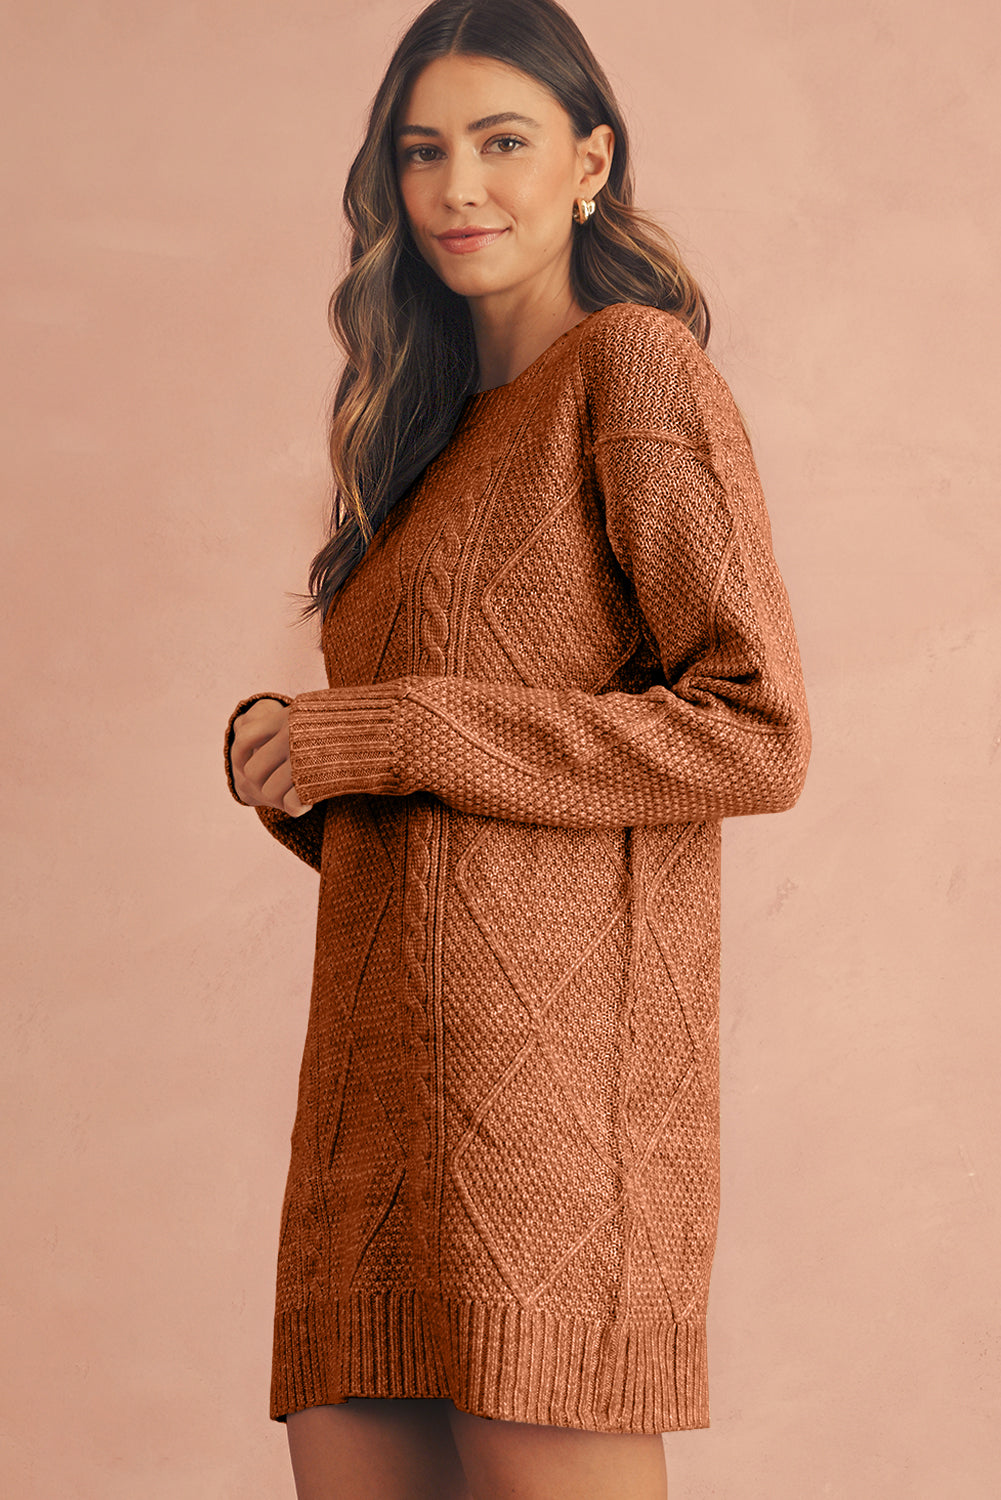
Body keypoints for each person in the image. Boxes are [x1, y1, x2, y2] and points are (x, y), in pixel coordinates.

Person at [223, 1, 811, 1495]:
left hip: (554, 1124)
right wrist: (297, 762)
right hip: (370, 1107)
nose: (458, 188)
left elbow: (754, 734)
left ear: (589, 163)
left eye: (502, 142)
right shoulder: (414, 433)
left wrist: (396, 724)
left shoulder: (634, 373)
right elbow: (444, 817)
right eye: (422, 152)